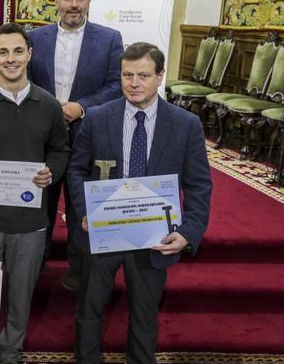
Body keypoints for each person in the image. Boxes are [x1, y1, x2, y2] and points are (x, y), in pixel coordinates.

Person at [67, 42, 212, 363]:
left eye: (143, 75)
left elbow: (199, 184)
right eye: (127, 75)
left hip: (153, 236)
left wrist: (188, 231)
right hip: (101, 231)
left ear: (160, 76)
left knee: (145, 317)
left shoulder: (186, 124)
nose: (134, 83)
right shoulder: (97, 117)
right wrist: (83, 211)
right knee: (88, 312)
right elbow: (76, 169)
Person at [0, 23, 71, 364]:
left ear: (29, 54)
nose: (11, 59)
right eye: (3, 52)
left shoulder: (48, 104)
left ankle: (10, 353)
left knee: (21, 298)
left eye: (18, 51)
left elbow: (60, 150)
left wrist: (52, 172)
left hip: (31, 223)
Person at [28, 0, 123, 291]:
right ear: (55, 1)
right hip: (42, 138)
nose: (74, 5)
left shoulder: (110, 39)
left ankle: (78, 270)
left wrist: (80, 106)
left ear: (89, 2)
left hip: (88, 134)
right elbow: (23, 82)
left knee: (80, 203)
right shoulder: (34, 38)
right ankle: (33, 265)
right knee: (40, 204)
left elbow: (114, 85)